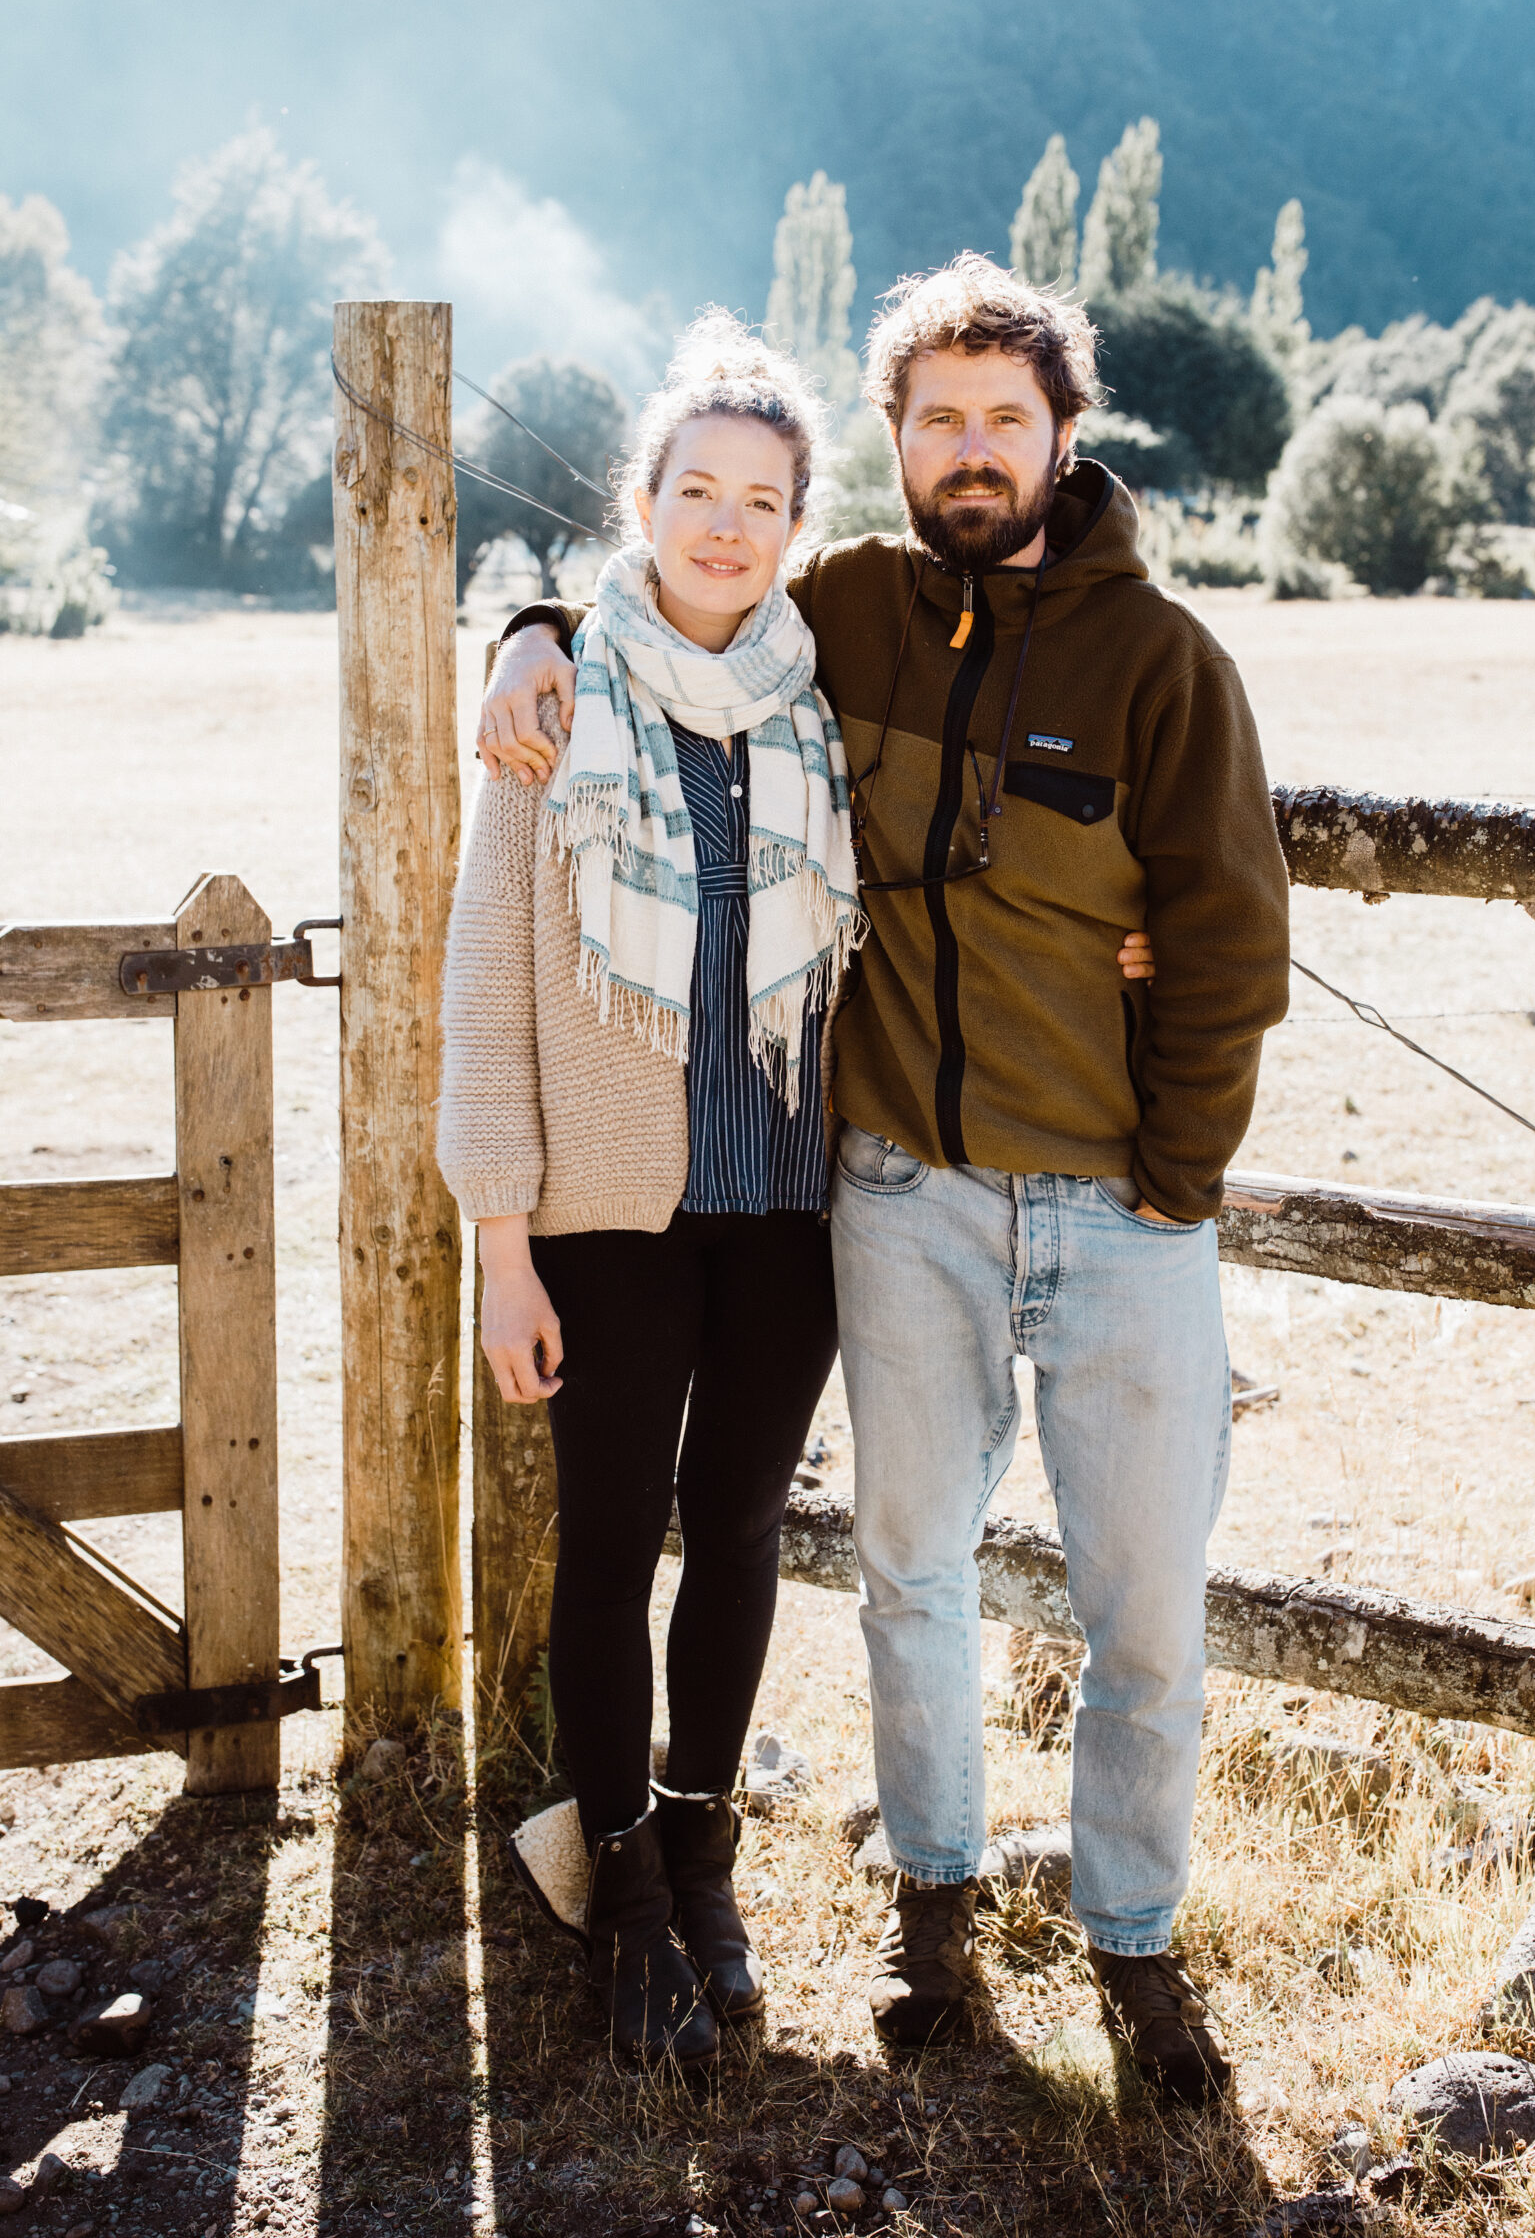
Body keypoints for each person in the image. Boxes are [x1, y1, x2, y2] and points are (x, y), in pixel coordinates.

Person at [476, 257, 1288, 2100]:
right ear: (902, 450)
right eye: (940, 420)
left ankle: (1137, 1942)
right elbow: (661, 594)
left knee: (1146, 1604)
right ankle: (932, 1924)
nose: (974, 449)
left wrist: (1174, 1180)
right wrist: (524, 623)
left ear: (1066, 435)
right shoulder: (841, 605)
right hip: (899, 1197)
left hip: (1114, 1213)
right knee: (910, 1574)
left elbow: (1233, 944)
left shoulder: (1164, 661)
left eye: (1008, 416)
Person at [436, 316, 865, 2070]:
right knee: (609, 1546)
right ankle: (617, 1894)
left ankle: (702, 1853)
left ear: (794, 525)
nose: (724, 525)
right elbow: (485, 994)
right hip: (610, 1215)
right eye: (697, 490)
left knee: (744, 1536)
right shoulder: (552, 702)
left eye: (761, 500)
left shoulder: (822, 709)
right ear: (645, 500)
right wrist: (501, 1245)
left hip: (786, 1202)